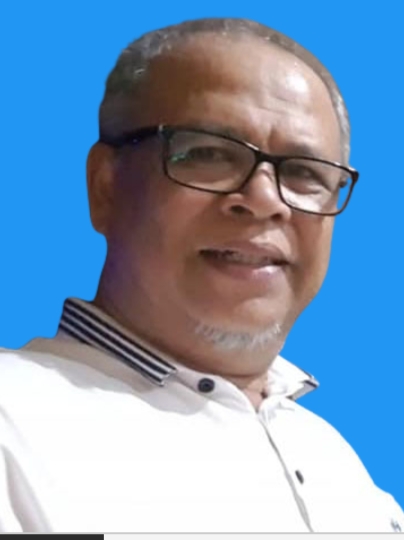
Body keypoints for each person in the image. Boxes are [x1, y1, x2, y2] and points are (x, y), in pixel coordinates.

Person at [0, 17, 402, 533]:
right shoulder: (16, 425)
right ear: (105, 187)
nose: (264, 200)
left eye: (304, 172)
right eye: (209, 154)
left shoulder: (341, 472)